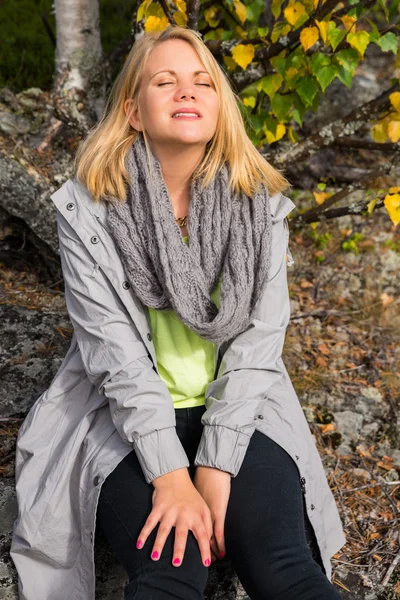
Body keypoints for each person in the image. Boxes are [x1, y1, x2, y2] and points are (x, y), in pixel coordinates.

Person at [10, 25, 346, 600]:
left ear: (219, 106)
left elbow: (257, 346)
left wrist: (215, 467)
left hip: (243, 412)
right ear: (134, 111)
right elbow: (113, 356)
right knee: (172, 572)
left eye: (202, 83)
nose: (186, 92)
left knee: (283, 564)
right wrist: (170, 476)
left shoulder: (260, 211)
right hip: (122, 421)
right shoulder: (90, 213)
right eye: (164, 81)